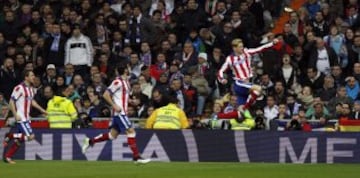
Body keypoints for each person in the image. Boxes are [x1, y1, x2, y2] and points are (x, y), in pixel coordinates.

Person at [82, 64, 150, 164]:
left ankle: (90, 141)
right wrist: (114, 106)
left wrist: (131, 101)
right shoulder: (117, 82)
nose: (130, 69)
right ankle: (136, 157)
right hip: (120, 113)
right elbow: (106, 94)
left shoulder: (126, 81)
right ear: (126, 70)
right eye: (128, 67)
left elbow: (122, 96)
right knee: (131, 132)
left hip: (122, 112)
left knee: (112, 135)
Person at [217, 38, 279, 110]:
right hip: (239, 83)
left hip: (247, 84)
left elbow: (260, 49)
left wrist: (272, 43)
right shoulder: (230, 59)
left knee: (241, 111)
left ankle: (219, 116)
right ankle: (250, 102)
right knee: (258, 89)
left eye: (242, 46)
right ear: (234, 48)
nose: (242, 48)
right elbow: (221, 70)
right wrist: (222, 79)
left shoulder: (247, 52)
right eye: (240, 47)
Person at [2, 70, 47, 164]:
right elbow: (11, 102)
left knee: (19, 141)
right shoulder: (19, 88)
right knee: (31, 136)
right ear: (26, 77)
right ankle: (10, 136)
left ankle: (7, 157)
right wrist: (15, 114)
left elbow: (32, 102)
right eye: (31, 75)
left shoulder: (31, 89)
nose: (33, 77)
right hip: (21, 117)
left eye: (34, 75)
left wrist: (42, 110)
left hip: (27, 117)